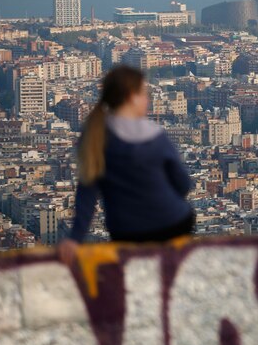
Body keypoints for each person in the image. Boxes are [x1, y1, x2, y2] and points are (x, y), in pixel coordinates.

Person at [58, 65, 194, 265]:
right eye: (144, 94)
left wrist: (75, 239)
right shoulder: (154, 135)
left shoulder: (94, 136)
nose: (147, 100)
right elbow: (184, 185)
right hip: (172, 223)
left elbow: (86, 196)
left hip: (125, 230)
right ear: (132, 96)